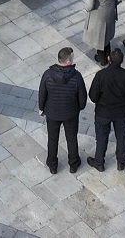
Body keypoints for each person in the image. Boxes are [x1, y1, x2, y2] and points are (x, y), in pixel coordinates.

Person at [38, 46, 88, 174]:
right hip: (70, 113)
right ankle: (73, 164)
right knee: (71, 138)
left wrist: (41, 108)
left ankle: (52, 165)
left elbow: (42, 93)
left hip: (52, 112)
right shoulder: (76, 77)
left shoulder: (48, 74)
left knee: (52, 139)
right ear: (68, 61)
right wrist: (78, 108)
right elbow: (82, 98)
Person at [87, 46, 125, 171]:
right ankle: (121, 162)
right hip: (122, 113)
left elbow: (93, 96)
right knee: (122, 136)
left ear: (108, 59)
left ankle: (99, 162)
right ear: (122, 61)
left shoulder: (101, 75)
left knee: (101, 137)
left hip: (103, 113)